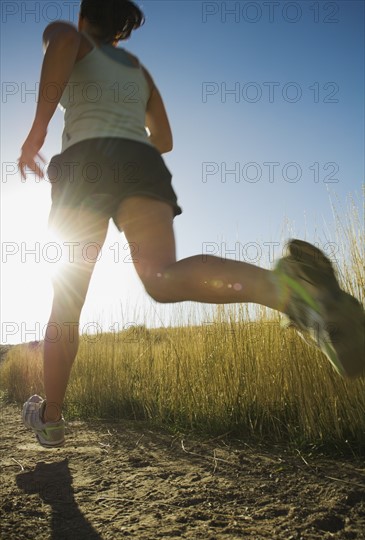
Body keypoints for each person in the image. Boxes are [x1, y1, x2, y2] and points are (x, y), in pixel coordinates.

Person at [18, 0, 364, 448]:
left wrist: (37, 131)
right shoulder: (137, 70)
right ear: (121, 33)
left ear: (85, 18)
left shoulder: (71, 35)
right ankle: (291, 290)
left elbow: (62, 41)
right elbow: (164, 138)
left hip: (86, 164)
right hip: (140, 162)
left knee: (68, 299)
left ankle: (52, 416)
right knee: (161, 277)